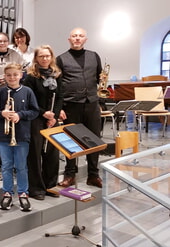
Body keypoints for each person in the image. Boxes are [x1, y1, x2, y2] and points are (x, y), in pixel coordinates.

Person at [56, 27, 103, 188]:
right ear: (69, 39)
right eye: (74, 36)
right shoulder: (60, 59)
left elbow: (99, 78)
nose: (77, 38)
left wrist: (99, 103)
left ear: (85, 39)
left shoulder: (94, 56)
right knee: (71, 141)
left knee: (94, 140)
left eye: (80, 36)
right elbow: (57, 85)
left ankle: (93, 175)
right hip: (70, 105)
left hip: (92, 104)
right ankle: (70, 174)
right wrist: (59, 108)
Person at [0, 63, 39, 212]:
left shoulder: (27, 91)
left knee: (21, 167)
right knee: (6, 166)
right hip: (4, 136)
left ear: (21, 75)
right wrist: (2, 113)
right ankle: (7, 193)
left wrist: (20, 115)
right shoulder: (0, 92)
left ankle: (23, 193)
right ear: (5, 76)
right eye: (9, 75)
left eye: (15, 75)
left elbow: (34, 111)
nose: (12, 77)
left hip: (22, 135)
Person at [24, 45, 64, 200]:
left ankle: (51, 186)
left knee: (52, 154)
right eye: (41, 56)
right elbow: (28, 99)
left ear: (51, 57)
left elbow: (60, 96)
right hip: (36, 119)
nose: (45, 59)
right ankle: (36, 188)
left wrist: (54, 116)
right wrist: (43, 113)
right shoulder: (31, 77)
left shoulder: (57, 74)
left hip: (52, 119)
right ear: (36, 58)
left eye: (47, 56)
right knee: (35, 154)